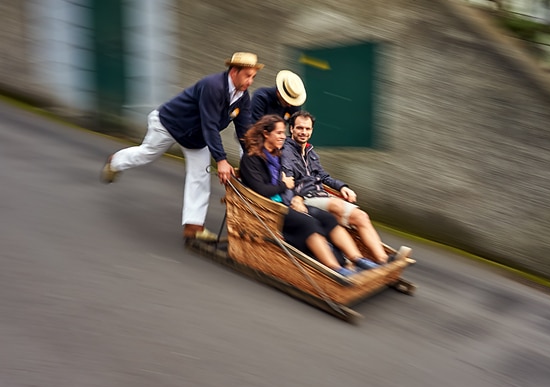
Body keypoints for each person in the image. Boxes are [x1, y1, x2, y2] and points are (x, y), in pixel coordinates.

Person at [101, 52, 263, 241]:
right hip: (169, 124)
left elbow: (245, 131)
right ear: (234, 71)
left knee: (200, 176)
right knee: (145, 155)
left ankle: (193, 227)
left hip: (195, 138)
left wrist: (254, 156)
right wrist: (221, 160)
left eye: (253, 77)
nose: (250, 81)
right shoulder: (213, 86)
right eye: (247, 75)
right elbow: (209, 124)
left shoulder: (242, 97)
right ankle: (116, 161)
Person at [238, 115, 382, 277]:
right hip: (270, 209)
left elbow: (299, 180)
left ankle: (358, 259)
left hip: (287, 201)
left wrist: (294, 195)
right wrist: (285, 186)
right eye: (279, 133)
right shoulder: (251, 159)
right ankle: (336, 269)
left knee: (328, 219)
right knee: (309, 222)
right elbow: (261, 190)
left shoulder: (277, 155)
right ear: (266, 134)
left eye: (282, 133)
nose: (282, 136)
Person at [281, 111, 411, 264]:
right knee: (337, 205)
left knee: (361, 216)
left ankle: (383, 260)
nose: (304, 132)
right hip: (304, 199)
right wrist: (298, 197)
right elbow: (288, 182)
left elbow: (323, 176)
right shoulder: (286, 151)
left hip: (321, 195)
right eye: (300, 128)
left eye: (307, 129)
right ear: (292, 129)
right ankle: (356, 259)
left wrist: (342, 186)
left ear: (312, 130)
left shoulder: (311, 153)